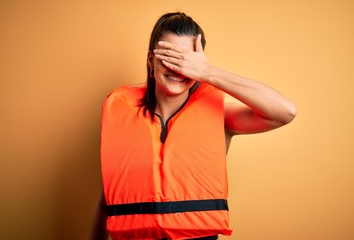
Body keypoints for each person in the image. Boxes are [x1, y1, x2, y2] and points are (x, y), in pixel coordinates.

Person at [90, 12, 296, 240]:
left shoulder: (222, 118)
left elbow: (285, 112)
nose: (178, 69)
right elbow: (106, 200)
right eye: (169, 57)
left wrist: (207, 73)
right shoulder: (123, 114)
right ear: (151, 61)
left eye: (187, 61)